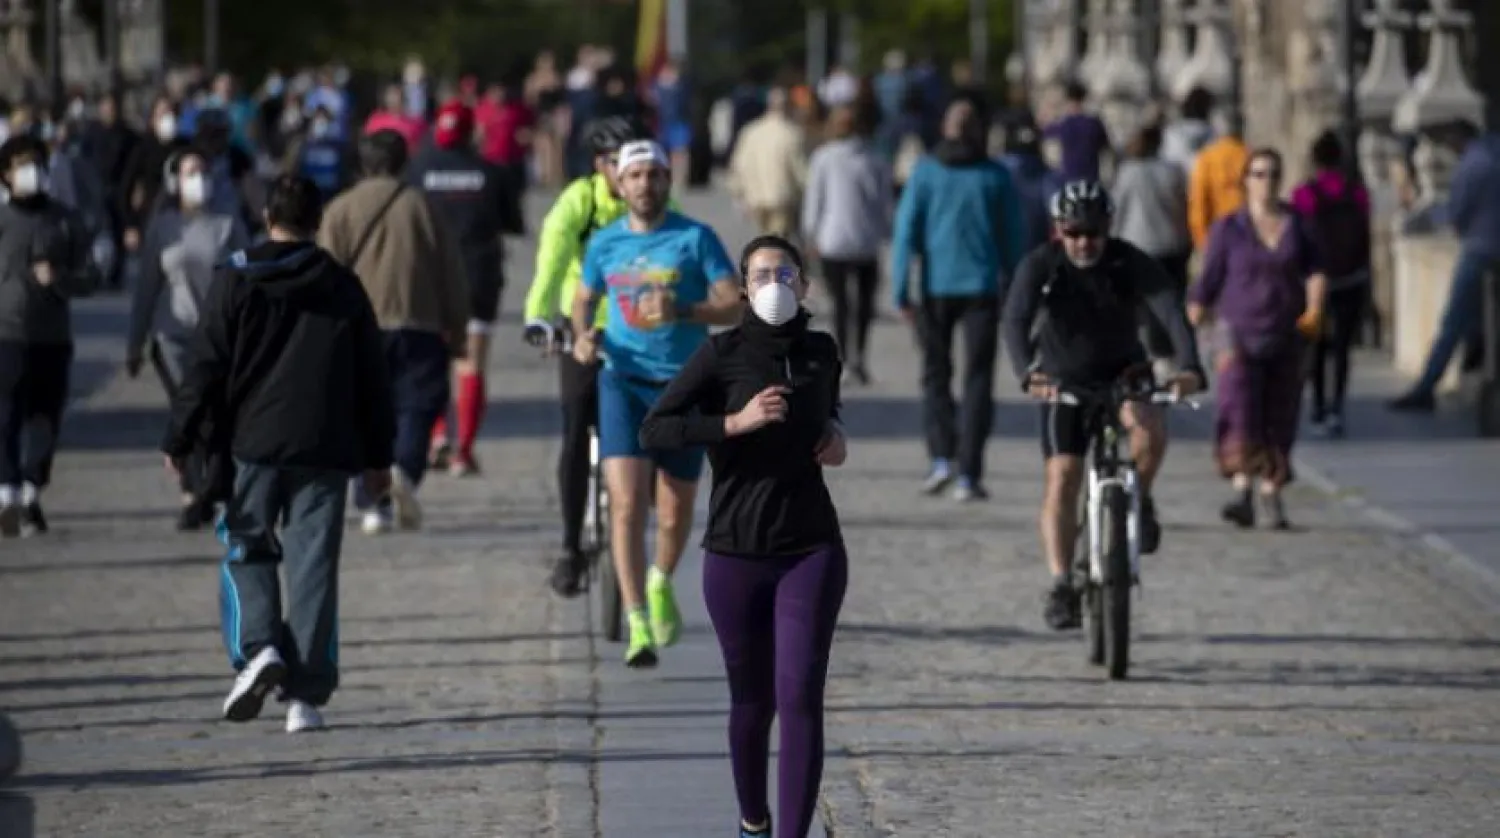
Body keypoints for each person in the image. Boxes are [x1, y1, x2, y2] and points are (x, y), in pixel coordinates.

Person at [160, 174, 395, 734]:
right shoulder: (343, 285)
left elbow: (205, 366)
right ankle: (305, 698)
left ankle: (258, 648)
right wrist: (379, 459)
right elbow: (374, 379)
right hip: (326, 447)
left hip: (254, 445)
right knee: (314, 568)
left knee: (245, 547)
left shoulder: (238, 279)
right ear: (318, 222)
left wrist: (180, 436)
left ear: (268, 217)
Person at [638, 235, 847, 838]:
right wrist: (733, 422)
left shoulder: (821, 351)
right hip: (735, 554)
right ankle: (753, 822)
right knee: (753, 706)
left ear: (804, 285)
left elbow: (831, 417)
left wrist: (836, 439)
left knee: (801, 696)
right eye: (762, 275)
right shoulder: (720, 354)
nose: (774, 284)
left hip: (812, 547)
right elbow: (657, 428)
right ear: (744, 288)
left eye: (785, 273)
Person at [1002, 179, 1205, 630]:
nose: (1083, 243)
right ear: (1059, 230)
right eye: (1072, 233)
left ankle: (1142, 498)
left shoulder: (1128, 261)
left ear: (1108, 228)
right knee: (1063, 476)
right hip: (1062, 379)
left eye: (1092, 233)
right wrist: (1026, 372)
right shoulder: (1042, 264)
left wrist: (1189, 366)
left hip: (1123, 373)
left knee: (1149, 428)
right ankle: (1060, 583)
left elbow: (1170, 308)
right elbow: (1015, 317)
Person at [570, 139, 742, 667]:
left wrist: (685, 309)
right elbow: (583, 299)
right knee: (625, 503)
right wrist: (581, 336)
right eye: (636, 176)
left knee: (673, 510)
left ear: (668, 181)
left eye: (654, 175)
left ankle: (661, 578)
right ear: (619, 185)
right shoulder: (604, 243)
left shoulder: (695, 238)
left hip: (684, 387)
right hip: (622, 380)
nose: (645, 184)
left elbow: (734, 304)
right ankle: (637, 617)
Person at [522, 115, 655, 596]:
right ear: (600, 165)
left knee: (656, 419)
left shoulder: (653, 197)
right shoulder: (578, 202)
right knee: (576, 428)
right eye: (620, 163)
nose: (632, 174)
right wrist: (538, 317)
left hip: (639, 327)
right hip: (581, 327)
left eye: (637, 164)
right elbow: (550, 259)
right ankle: (570, 546)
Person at [318, 129, 470, 534]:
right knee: (417, 407)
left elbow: (323, 276)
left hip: (357, 327)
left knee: (362, 413)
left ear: (361, 164)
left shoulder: (339, 210)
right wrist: (457, 327)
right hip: (418, 321)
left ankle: (373, 502)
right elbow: (451, 272)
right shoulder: (424, 207)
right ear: (404, 163)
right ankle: (402, 471)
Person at [890, 96, 1027, 501]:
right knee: (978, 380)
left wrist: (901, 289)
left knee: (935, 375)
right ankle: (969, 470)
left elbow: (905, 234)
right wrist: (1019, 290)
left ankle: (942, 458)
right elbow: (1013, 240)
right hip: (981, 290)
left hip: (936, 289)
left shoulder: (927, 173)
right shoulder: (995, 176)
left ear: (945, 130)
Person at [1188, 149, 1326, 530]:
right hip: (1237, 332)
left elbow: (1315, 270)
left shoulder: (1297, 224)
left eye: (1272, 174)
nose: (1265, 181)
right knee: (1240, 408)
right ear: (1245, 180)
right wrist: (1188, 324)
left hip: (1286, 330)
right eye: (1259, 174)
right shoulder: (1229, 228)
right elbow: (1207, 281)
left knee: (1280, 412)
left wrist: (1314, 308)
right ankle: (1242, 488)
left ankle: (1271, 492)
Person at [127, 147, 251, 529]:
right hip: (172, 337)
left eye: (203, 170)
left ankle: (209, 489)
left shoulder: (227, 224)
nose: (198, 177)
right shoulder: (163, 226)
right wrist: (135, 342)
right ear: (175, 181)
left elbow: (249, 280)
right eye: (190, 171)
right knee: (191, 414)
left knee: (217, 415)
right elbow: (147, 286)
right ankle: (197, 492)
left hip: (219, 336)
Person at [411, 102, 524, 476]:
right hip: (477, 277)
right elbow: (513, 222)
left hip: (430, 278)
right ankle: (464, 451)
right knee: (471, 362)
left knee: (435, 360)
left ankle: (439, 435)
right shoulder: (491, 172)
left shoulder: (418, 170)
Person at [0, 135, 101, 537]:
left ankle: (30, 491)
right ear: (6, 175)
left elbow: (91, 276)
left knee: (45, 418)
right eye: (22, 166)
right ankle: (6, 494)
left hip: (51, 337)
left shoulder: (65, 219)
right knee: (4, 417)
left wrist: (61, 280)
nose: (32, 173)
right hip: (5, 334)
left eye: (37, 164)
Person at [1388, 120, 1498, 412]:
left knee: (1453, 323)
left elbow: (1456, 214)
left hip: (1478, 250)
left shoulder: (1472, 165)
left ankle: (1426, 388)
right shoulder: (1494, 155)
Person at [801, 105, 891, 384]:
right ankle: (859, 357)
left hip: (832, 241)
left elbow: (815, 198)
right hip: (865, 241)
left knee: (840, 304)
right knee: (864, 305)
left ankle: (842, 356)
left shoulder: (823, 158)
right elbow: (883, 200)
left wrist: (810, 234)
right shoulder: (875, 159)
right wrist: (886, 232)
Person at [1290, 130, 1371, 436]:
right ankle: (1338, 407)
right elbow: (1365, 236)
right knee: (1342, 349)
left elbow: (1297, 240)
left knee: (1317, 347)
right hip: (1351, 278)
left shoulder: (1304, 194)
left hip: (1317, 282)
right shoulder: (1357, 192)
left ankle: (1318, 408)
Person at [1110, 122, 1192, 367]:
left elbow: (1117, 210)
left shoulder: (1127, 173)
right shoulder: (1173, 171)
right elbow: (1182, 207)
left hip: (1138, 245)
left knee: (1145, 304)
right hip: (1172, 244)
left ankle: (1156, 354)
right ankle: (1172, 351)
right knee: (1171, 302)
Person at [727, 87, 808, 237]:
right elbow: (800, 170)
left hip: (756, 198)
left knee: (763, 239)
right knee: (778, 242)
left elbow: (738, 165)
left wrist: (737, 192)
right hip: (782, 198)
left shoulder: (751, 131)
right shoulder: (792, 133)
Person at [1187, 111, 1249, 253]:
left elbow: (1198, 202)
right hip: (1246, 234)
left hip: (1216, 235)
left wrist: (1202, 240)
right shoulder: (1249, 155)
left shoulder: (1206, 158)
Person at [1043, 80, 1111, 181]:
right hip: (1091, 178)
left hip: (1069, 178)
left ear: (1067, 99)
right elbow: (1105, 146)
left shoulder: (1062, 124)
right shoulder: (1094, 123)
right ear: (1084, 98)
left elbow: (1045, 135)